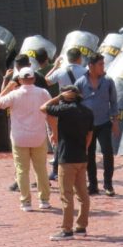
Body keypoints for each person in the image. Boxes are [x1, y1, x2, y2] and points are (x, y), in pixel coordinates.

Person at [0, 67, 52, 211]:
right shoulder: (43, 93)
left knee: (22, 170)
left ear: (19, 80)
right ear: (33, 78)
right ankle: (44, 200)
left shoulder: (14, 94)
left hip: (19, 137)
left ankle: (26, 202)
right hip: (38, 136)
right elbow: (51, 110)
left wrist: (7, 87)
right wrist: (54, 131)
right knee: (41, 170)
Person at [41, 85, 94, 240]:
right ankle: (81, 226)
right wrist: (84, 149)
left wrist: (59, 96)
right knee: (83, 194)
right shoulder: (88, 112)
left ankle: (67, 230)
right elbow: (90, 135)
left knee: (66, 195)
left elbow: (44, 107)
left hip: (67, 158)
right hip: (81, 157)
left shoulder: (65, 110)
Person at [75, 54, 119, 196]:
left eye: (103, 64)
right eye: (100, 64)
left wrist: (115, 121)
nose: (103, 67)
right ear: (91, 66)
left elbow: (113, 102)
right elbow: (75, 104)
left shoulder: (108, 82)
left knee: (108, 152)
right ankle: (93, 185)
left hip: (104, 123)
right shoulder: (80, 83)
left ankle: (108, 184)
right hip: (87, 126)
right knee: (89, 154)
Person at [44, 48, 87, 181]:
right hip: (80, 107)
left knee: (61, 138)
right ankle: (80, 169)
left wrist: (55, 66)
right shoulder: (85, 71)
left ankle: (56, 170)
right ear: (79, 58)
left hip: (63, 107)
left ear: (68, 58)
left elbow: (47, 80)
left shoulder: (60, 71)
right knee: (81, 137)